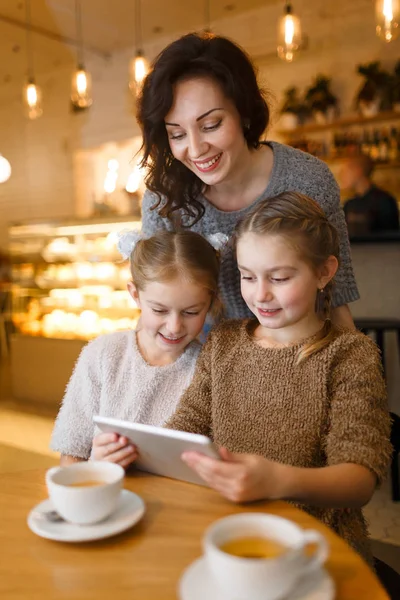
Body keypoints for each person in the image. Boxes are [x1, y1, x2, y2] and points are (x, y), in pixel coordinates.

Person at [165, 191, 391, 565]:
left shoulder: (349, 356)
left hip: (316, 548)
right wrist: (133, 451)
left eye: (280, 277)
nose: (261, 294)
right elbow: (184, 428)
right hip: (227, 535)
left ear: (324, 272)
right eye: (248, 276)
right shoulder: (223, 343)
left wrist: (278, 481)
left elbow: (359, 480)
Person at [137, 32, 358, 328]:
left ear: (245, 113)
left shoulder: (308, 180)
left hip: (296, 360)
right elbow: (158, 316)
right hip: (201, 365)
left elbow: (334, 301)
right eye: (177, 134)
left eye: (211, 124)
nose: (196, 148)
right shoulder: (165, 200)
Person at [50, 230, 221, 467]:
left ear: (210, 303)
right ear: (135, 295)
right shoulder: (102, 354)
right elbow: (70, 452)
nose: (174, 327)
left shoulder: (210, 369)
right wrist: (95, 464)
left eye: (191, 312)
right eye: (159, 310)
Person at [341, 154, 400, 236]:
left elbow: (391, 240)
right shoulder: (349, 204)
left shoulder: (384, 202)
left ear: (358, 171)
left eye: (346, 171)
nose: (342, 175)